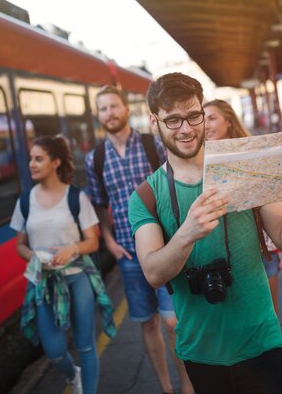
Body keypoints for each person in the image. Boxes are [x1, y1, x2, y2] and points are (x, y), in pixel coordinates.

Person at [128, 73, 282, 394]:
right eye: (173, 121)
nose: (186, 129)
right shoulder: (146, 196)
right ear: (154, 122)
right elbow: (154, 273)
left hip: (262, 342)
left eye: (193, 116)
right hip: (201, 352)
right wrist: (188, 232)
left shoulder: (241, 168)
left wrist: (273, 186)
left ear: (202, 110)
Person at [85, 85, 193, 394]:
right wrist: (107, 239)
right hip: (128, 254)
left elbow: (176, 179)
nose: (110, 113)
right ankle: (165, 387)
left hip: (162, 245)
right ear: (98, 115)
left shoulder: (151, 145)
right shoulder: (96, 158)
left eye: (114, 106)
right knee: (148, 323)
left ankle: (186, 386)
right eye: (103, 109)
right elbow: (99, 203)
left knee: (173, 322)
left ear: (126, 109)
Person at [10, 135, 115, 394]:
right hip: (45, 282)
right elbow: (20, 244)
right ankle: (72, 375)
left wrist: (73, 248)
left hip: (77, 277)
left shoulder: (76, 198)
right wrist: (33, 256)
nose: (32, 164)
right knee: (55, 351)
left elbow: (93, 241)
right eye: (31, 159)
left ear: (55, 162)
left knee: (86, 346)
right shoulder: (25, 201)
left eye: (38, 159)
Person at [204, 99, 281, 314]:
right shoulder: (200, 159)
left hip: (263, 243)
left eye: (212, 118)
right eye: (203, 120)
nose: (206, 125)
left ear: (228, 121)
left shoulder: (255, 152)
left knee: (269, 312)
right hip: (228, 248)